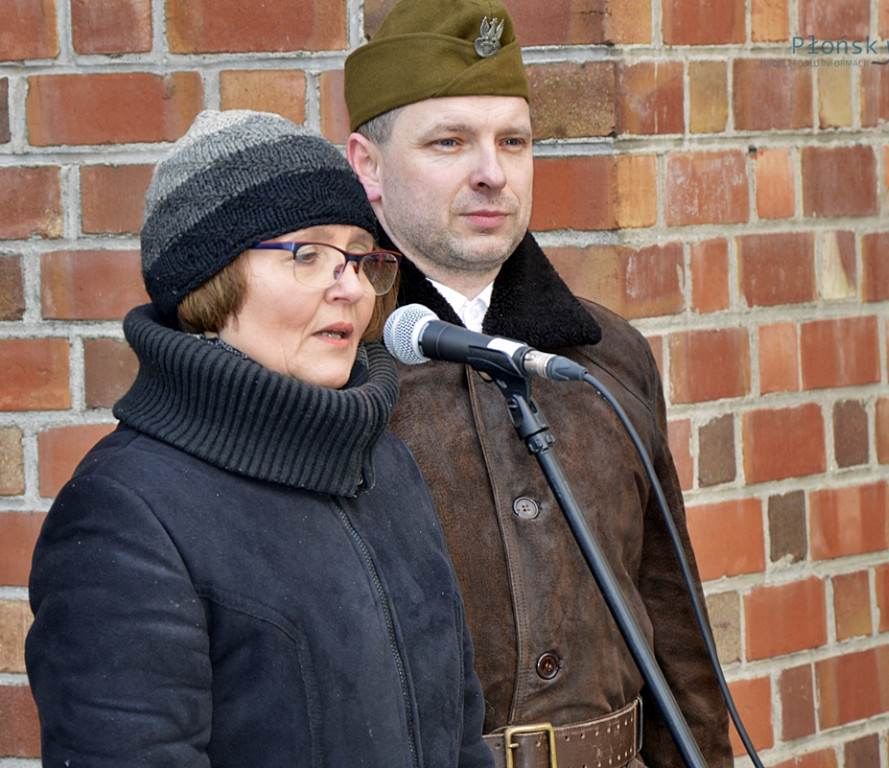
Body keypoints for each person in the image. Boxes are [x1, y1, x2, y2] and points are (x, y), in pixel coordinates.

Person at [25, 109, 493, 768]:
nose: (351, 288)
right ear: (209, 282)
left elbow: (461, 734)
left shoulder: (386, 465)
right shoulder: (124, 512)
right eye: (309, 254)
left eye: (361, 258)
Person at [343, 1, 733, 767]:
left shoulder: (605, 353)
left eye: (513, 141)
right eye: (449, 141)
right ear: (368, 165)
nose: (492, 172)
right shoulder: (336, 365)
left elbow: (672, 621)